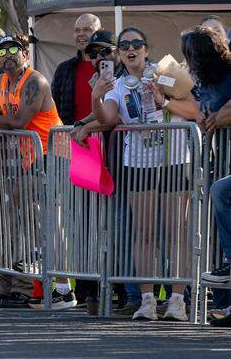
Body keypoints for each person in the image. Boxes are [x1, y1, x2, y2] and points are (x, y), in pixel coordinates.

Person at [94, 27, 198, 322]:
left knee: (176, 231)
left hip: (174, 159)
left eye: (136, 44)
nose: (131, 49)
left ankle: (177, 300)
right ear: (119, 53)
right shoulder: (116, 85)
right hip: (139, 163)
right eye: (124, 45)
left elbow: (193, 109)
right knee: (145, 232)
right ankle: (148, 300)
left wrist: (163, 100)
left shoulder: (163, 72)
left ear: (146, 48)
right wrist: (95, 98)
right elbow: (108, 119)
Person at [0, 35, 71, 309]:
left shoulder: (35, 81)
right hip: (29, 158)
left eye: (15, 49)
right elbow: (3, 110)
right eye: (3, 50)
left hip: (52, 153)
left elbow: (18, 120)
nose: (8, 54)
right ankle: (39, 282)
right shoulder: (2, 82)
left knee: (47, 222)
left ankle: (64, 289)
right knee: (30, 221)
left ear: (25, 53)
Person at [183, 26, 231, 326]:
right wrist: (202, 114)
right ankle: (226, 302)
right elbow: (203, 108)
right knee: (215, 225)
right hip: (219, 158)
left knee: (221, 192)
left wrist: (221, 112)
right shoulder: (202, 80)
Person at [51, 14, 103, 126]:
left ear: (100, 32)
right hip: (73, 137)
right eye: (77, 30)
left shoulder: (111, 67)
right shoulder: (64, 69)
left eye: (87, 30)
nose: (81, 34)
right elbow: (55, 108)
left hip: (104, 137)